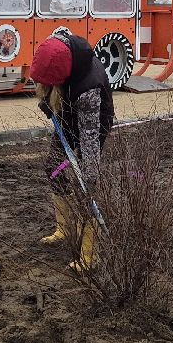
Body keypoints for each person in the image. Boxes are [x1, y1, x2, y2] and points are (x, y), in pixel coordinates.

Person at [28, 29, 114, 269]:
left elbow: (88, 141)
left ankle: (89, 254)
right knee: (54, 168)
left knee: (85, 183)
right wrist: (48, 104)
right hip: (67, 115)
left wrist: (89, 174)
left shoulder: (89, 89)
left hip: (93, 122)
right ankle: (64, 228)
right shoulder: (55, 46)